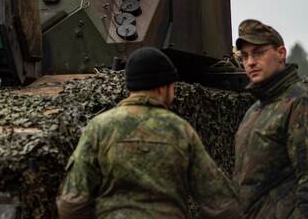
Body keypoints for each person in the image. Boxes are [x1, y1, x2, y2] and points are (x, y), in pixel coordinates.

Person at [57, 47, 242, 218]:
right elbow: (219, 201)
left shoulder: (98, 127)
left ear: (130, 87)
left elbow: (72, 202)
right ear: (163, 88)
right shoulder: (180, 130)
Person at [234, 19, 308, 219]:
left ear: (281, 54)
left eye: (258, 53)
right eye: (245, 56)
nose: (250, 62)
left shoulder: (301, 103)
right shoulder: (254, 111)